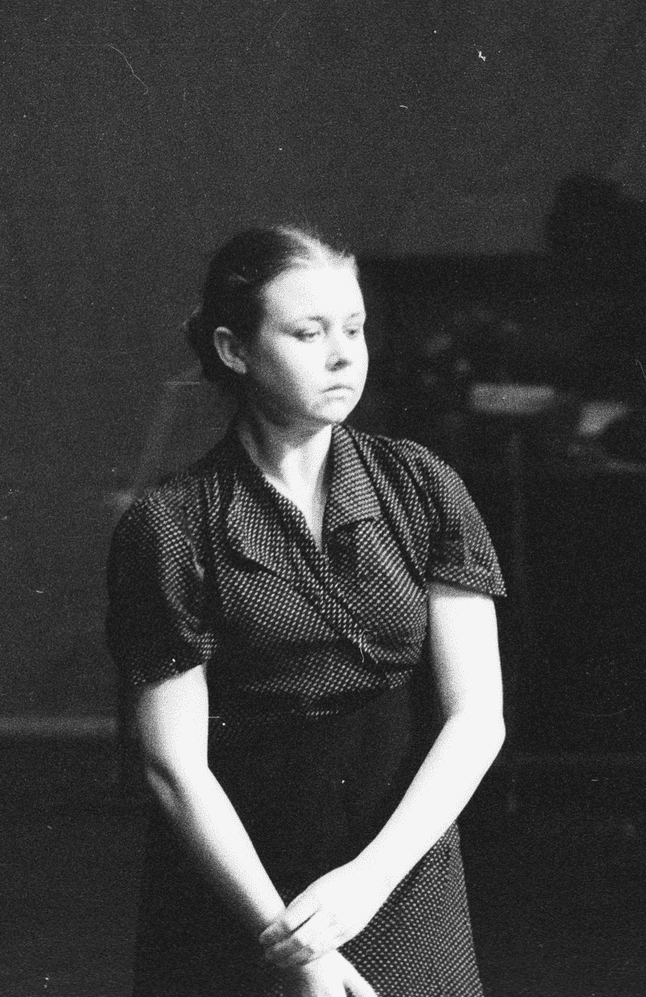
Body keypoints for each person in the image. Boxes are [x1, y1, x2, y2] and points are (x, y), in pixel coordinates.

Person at [106, 226, 506, 997]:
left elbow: (477, 717)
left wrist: (365, 884)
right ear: (234, 349)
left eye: (354, 329)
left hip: (400, 869)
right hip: (240, 883)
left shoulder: (423, 487)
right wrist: (294, 947)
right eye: (307, 332)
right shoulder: (173, 524)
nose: (343, 355)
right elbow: (171, 766)